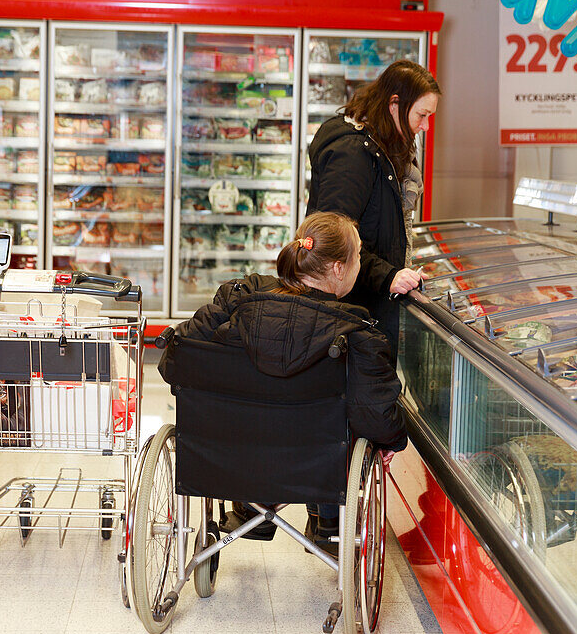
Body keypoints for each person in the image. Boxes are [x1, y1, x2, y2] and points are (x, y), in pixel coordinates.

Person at [164, 211, 406, 556]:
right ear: (338, 268)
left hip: (228, 457)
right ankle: (327, 524)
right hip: (315, 470)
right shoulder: (356, 331)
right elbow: (376, 414)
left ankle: (251, 507)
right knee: (347, 428)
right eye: (357, 256)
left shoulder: (238, 298)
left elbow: (179, 358)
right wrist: (394, 441)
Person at [307, 59, 441, 354]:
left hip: (366, 309)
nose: (426, 126)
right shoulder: (352, 154)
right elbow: (331, 242)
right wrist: (388, 276)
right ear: (394, 104)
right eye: (421, 114)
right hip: (347, 319)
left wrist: (399, 271)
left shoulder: (383, 144)